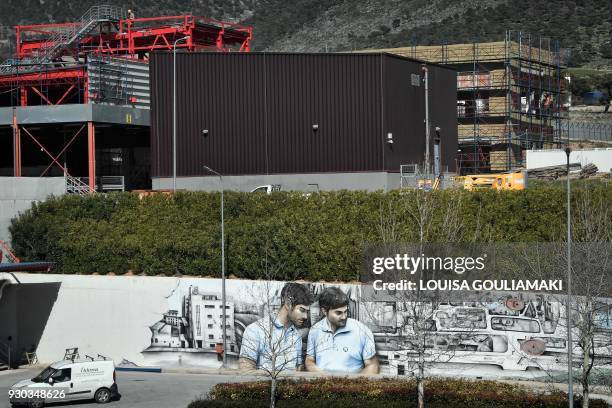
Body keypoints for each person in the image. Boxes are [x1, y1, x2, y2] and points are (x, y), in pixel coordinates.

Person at [239, 282, 313, 371]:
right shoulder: (255, 330)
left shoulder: (296, 336)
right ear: (288, 304)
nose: (305, 316)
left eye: (307, 312)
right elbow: (246, 370)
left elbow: (297, 369)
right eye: (302, 310)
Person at [306, 287, 379, 374]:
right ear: (324, 311)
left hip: (352, 385)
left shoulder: (362, 330)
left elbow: (372, 365)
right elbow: (309, 359)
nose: (344, 317)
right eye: (338, 313)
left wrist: (354, 384)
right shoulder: (315, 330)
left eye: (346, 311)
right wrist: (320, 375)